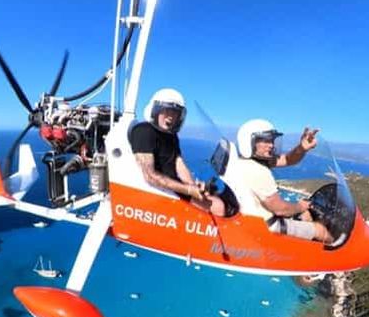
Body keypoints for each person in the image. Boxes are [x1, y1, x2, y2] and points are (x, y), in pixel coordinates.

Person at [235, 119, 333, 243]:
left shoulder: (243, 162)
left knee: (306, 215)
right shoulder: (258, 171)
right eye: (265, 140)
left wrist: (302, 148)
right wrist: (300, 206)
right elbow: (280, 209)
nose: (271, 145)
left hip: (250, 221)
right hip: (267, 227)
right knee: (320, 230)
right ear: (249, 142)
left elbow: (287, 159)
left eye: (271, 140)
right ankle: (340, 257)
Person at [130, 88, 225, 216]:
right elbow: (150, 176)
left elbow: (179, 164)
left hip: (171, 186)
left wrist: (194, 187)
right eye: (166, 110)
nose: (170, 116)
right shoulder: (143, 131)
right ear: (156, 110)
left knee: (219, 198)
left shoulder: (171, 136)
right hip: (158, 191)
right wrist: (189, 189)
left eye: (175, 113)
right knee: (218, 207)